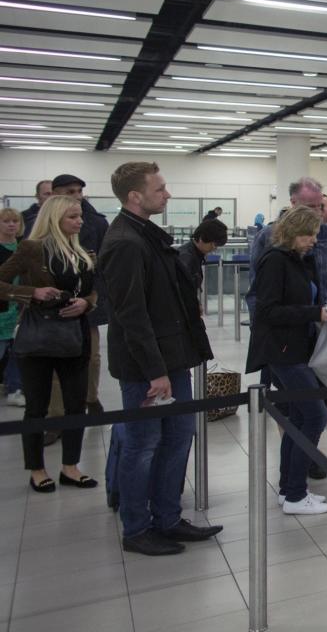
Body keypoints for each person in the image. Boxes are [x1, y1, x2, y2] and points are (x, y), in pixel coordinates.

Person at [98, 162, 219, 555]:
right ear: (135, 196)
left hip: (173, 357)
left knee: (178, 436)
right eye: (160, 188)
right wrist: (155, 371)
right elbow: (130, 314)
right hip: (147, 367)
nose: (167, 195)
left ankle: (167, 517)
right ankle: (137, 528)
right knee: (143, 444)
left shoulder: (147, 236)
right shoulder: (125, 243)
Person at [0, 196, 98, 494]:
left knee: (75, 406)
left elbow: (94, 292)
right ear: (54, 218)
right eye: (72, 217)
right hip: (38, 339)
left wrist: (86, 303)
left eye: (79, 216)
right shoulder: (32, 249)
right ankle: (37, 469)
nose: (79, 222)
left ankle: (70, 466)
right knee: (36, 409)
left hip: (74, 337)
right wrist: (32, 293)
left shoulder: (81, 252)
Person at [246, 205, 327, 516]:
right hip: (283, 351)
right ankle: (296, 493)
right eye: (309, 234)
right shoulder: (274, 262)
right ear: (294, 232)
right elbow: (267, 310)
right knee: (314, 416)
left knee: (299, 418)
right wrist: (314, 314)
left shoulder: (297, 260)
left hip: (297, 347)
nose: (314, 240)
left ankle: (290, 489)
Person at [49, 174, 110, 421]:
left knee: (92, 357)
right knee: (54, 363)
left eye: (78, 191)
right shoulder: (40, 225)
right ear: (55, 194)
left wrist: (91, 298)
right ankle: (56, 416)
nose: (76, 196)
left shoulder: (96, 223)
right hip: (52, 306)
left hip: (88, 302)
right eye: (69, 191)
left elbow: (106, 265)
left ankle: (90, 398)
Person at [247, 178, 327, 317]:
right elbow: (256, 291)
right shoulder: (268, 236)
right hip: (283, 326)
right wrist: (258, 328)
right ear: (293, 203)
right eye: (310, 206)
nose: (316, 212)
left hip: (322, 320)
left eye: (319, 206)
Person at [178, 218, 229, 313]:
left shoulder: (195, 254)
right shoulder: (186, 258)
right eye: (213, 244)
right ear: (202, 238)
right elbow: (181, 291)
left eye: (217, 245)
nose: (214, 248)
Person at [0, 208, 23, 406]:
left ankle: (15, 388)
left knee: (17, 353)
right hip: (2, 309)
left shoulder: (24, 247)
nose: (11, 225)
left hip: (19, 308)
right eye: (6, 221)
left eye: (14, 221)